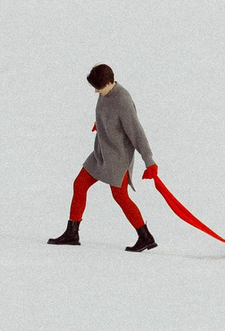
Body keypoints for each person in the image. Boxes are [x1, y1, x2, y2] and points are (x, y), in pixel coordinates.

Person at [47, 63, 159, 251]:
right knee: (80, 184)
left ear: (109, 82)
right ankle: (72, 233)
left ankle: (145, 237)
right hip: (100, 153)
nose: (97, 92)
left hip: (118, 158)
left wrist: (149, 161)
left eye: (99, 88)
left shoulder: (123, 100)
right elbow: (107, 114)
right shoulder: (104, 93)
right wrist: (100, 124)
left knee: (120, 196)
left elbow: (136, 132)